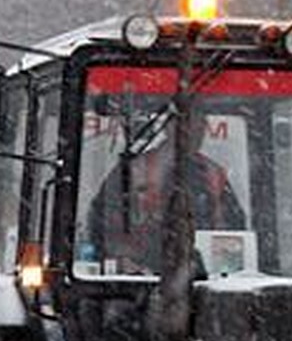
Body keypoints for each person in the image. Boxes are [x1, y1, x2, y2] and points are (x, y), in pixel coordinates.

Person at [85, 114, 245, 273]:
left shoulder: (214, 175)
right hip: (138, 280)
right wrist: (121, 259)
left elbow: (234, 233)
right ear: (169, 128)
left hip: (201, 279)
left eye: (200, 126)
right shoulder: (134, 171)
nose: (195, 132)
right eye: (187, 125)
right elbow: (101, 225)